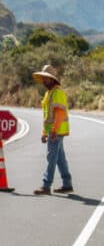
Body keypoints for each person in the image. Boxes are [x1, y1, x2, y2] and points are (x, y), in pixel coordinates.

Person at [32, 64, 73, 195]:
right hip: (53, 131)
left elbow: (60, 114)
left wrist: (54, 130)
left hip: (56, 132)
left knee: (51, 158)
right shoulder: (49, 93)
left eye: (46, 78)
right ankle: (67, 184)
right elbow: (47, 116)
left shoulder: (57, 92)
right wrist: (44, 132)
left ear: (52, 79)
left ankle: (46, 185)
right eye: (43, 78)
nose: (44, 81)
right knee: (60, 159)